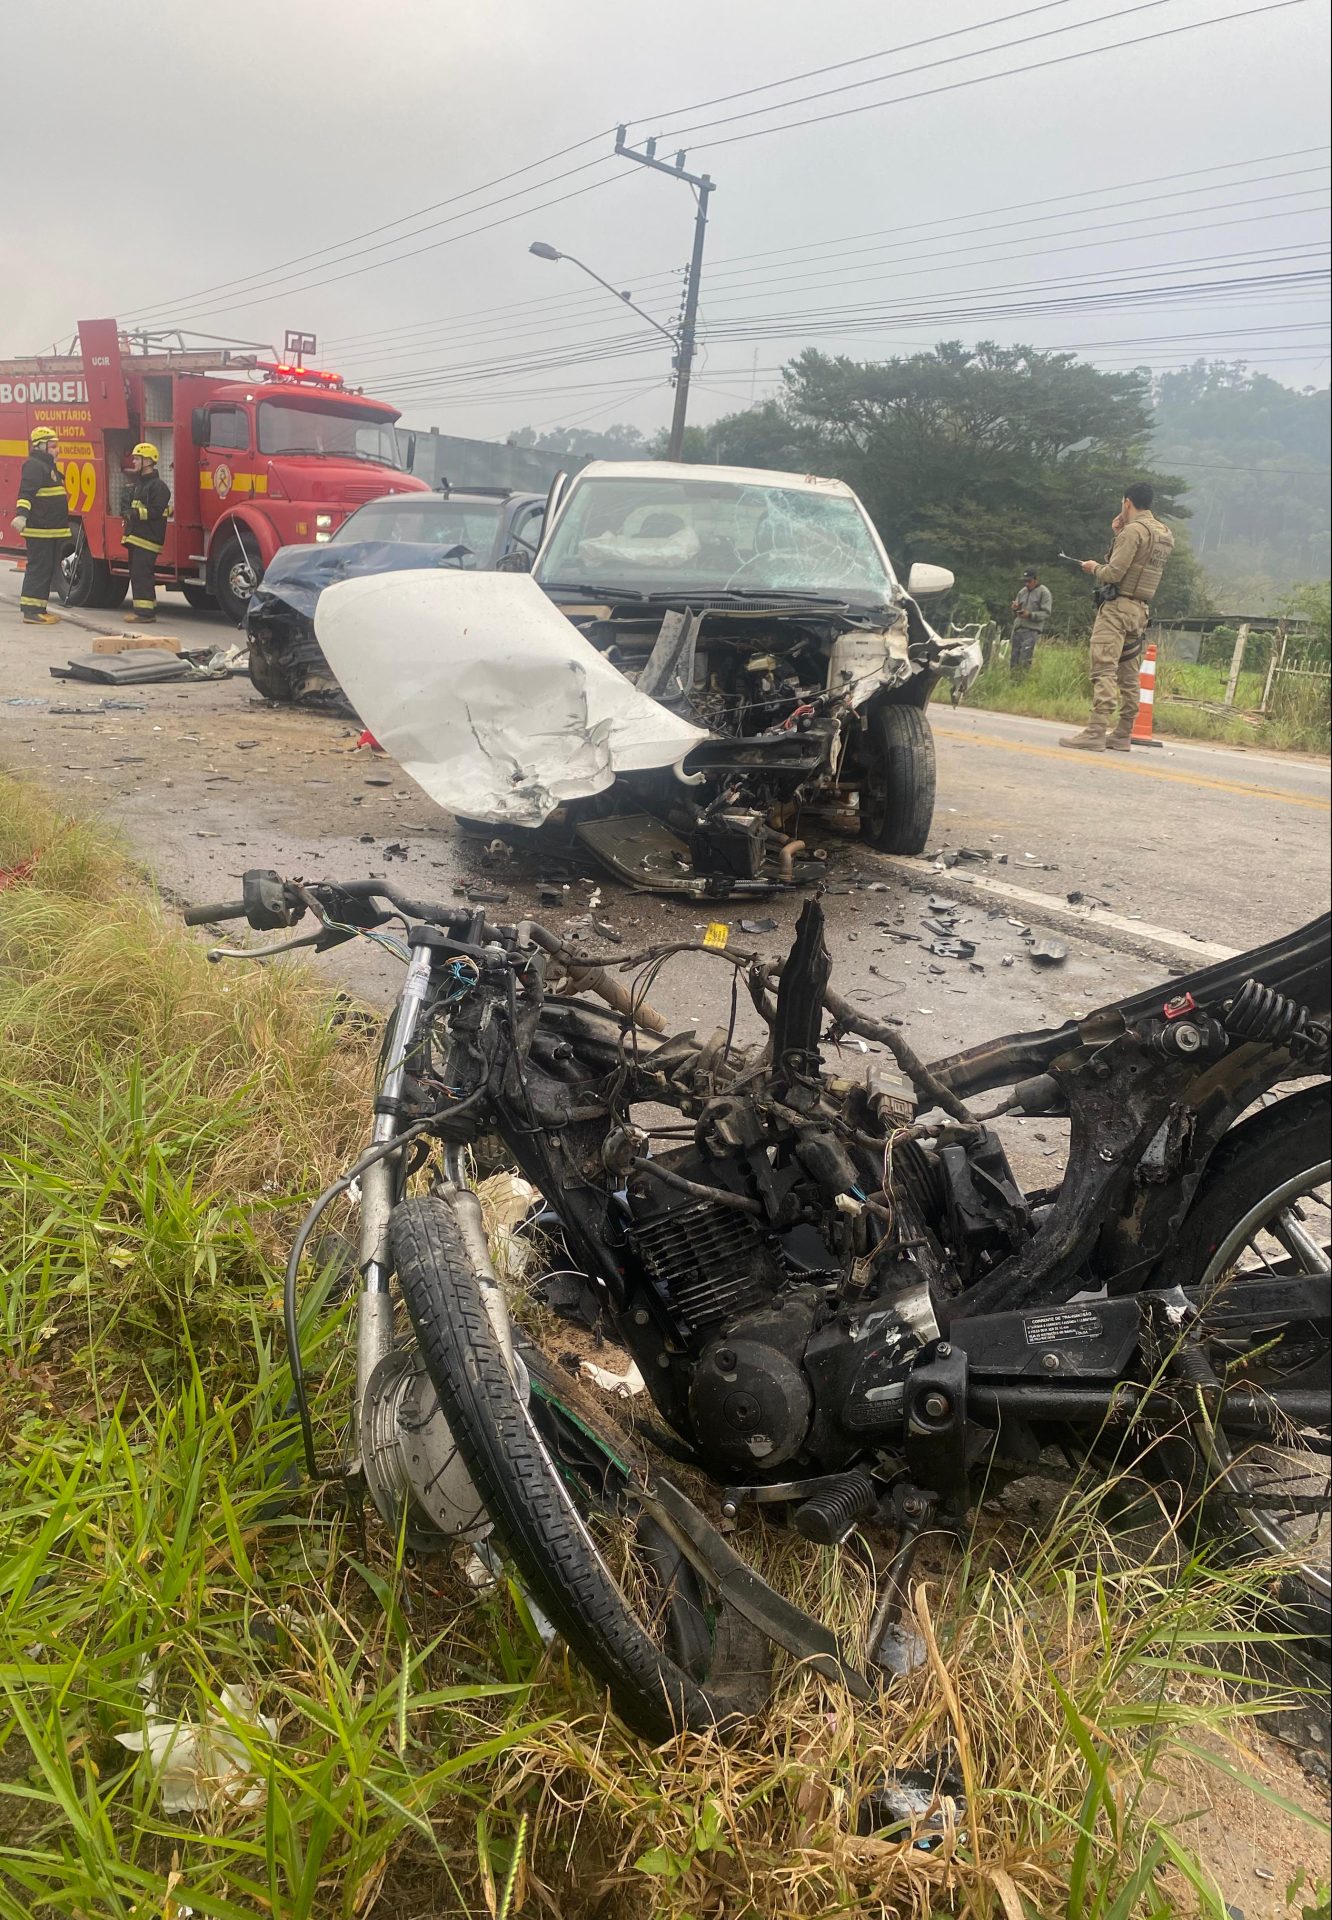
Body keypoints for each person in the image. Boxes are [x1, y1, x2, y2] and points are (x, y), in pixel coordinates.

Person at [1061, 482, 1174, 753]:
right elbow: (1139, 564)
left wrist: (1093, 567)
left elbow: (1113, 573)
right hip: (1140, 611)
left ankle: (1096, 731)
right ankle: (1123, 733)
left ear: (1127, 502)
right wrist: (1119, 532)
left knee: (1103, 667)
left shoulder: (1134, 531)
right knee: (1129, 673)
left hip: (1117, 609)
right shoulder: (1164, 533)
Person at [10, 426, 71, 625]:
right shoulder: (34, 465)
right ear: (41, 446)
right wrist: (21, 516)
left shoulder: (48, 466)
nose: (57, 449)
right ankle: (31, 611)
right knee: (39, 568)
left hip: (50, 529)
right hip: (40, 529)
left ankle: (39, 608)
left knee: (46, 569)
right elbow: (26, 493)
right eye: (53, 446)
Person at [122, 443, 172, 623]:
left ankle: (144, 614)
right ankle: (148, 608)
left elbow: (156, 512)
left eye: (137, 458)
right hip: (137, 537)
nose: (133, 461)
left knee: (141, 575)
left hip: (147, 539)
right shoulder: (141, 485)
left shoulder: (158, 487)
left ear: (148, 461)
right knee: (138, 574)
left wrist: (134, 514)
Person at [1009, 567, 1051, 674]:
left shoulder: (1044, 592)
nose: (1027, 583)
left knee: (1025, 657)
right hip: (1018, 628)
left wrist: (1030, 615)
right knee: (1014, 658)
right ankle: (1013, 681)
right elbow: (1015, 611)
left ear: (1036, 579)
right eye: (1025, 581)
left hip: (1031, 630)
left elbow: (1046, 613)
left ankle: (1022, 681)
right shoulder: (1021, 592)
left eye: (1029, 581)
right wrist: (1015, 609)